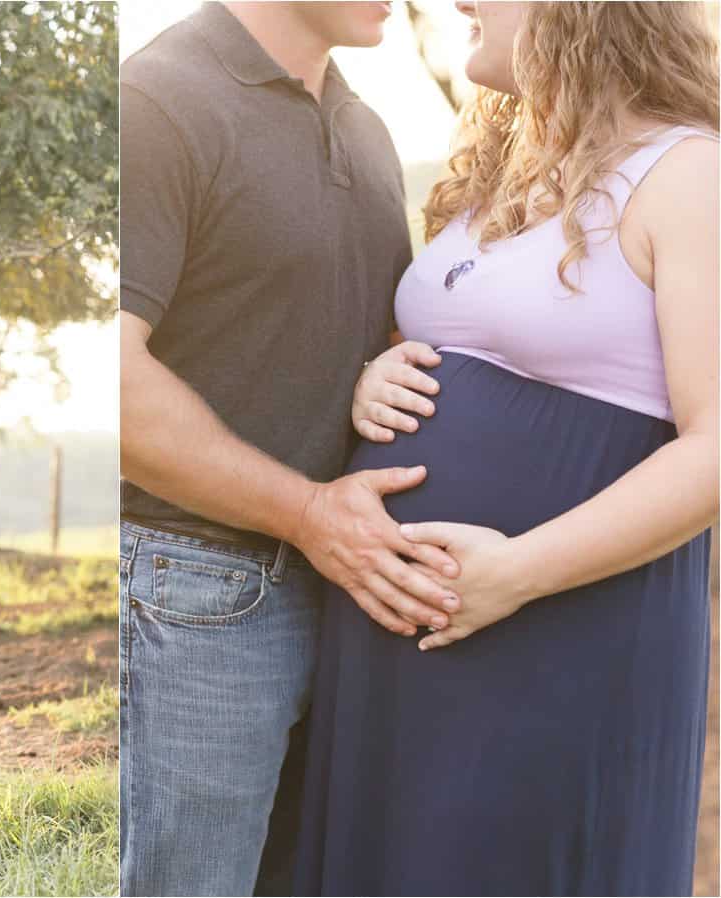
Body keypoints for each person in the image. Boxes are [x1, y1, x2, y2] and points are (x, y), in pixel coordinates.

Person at [293, 2, 719, 894]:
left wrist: (519, 571)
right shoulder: (501, 174)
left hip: (561, 632)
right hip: (407, 645)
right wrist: (373, 378)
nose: (460, 4)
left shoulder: (690, 176)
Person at [119, 3, 463, 894]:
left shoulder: (368, 127)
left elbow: (356, 331)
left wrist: (369, 374)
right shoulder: (155, 101)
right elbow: (114, 384)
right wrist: (311, 513)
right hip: (197, 597)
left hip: (349, 598)